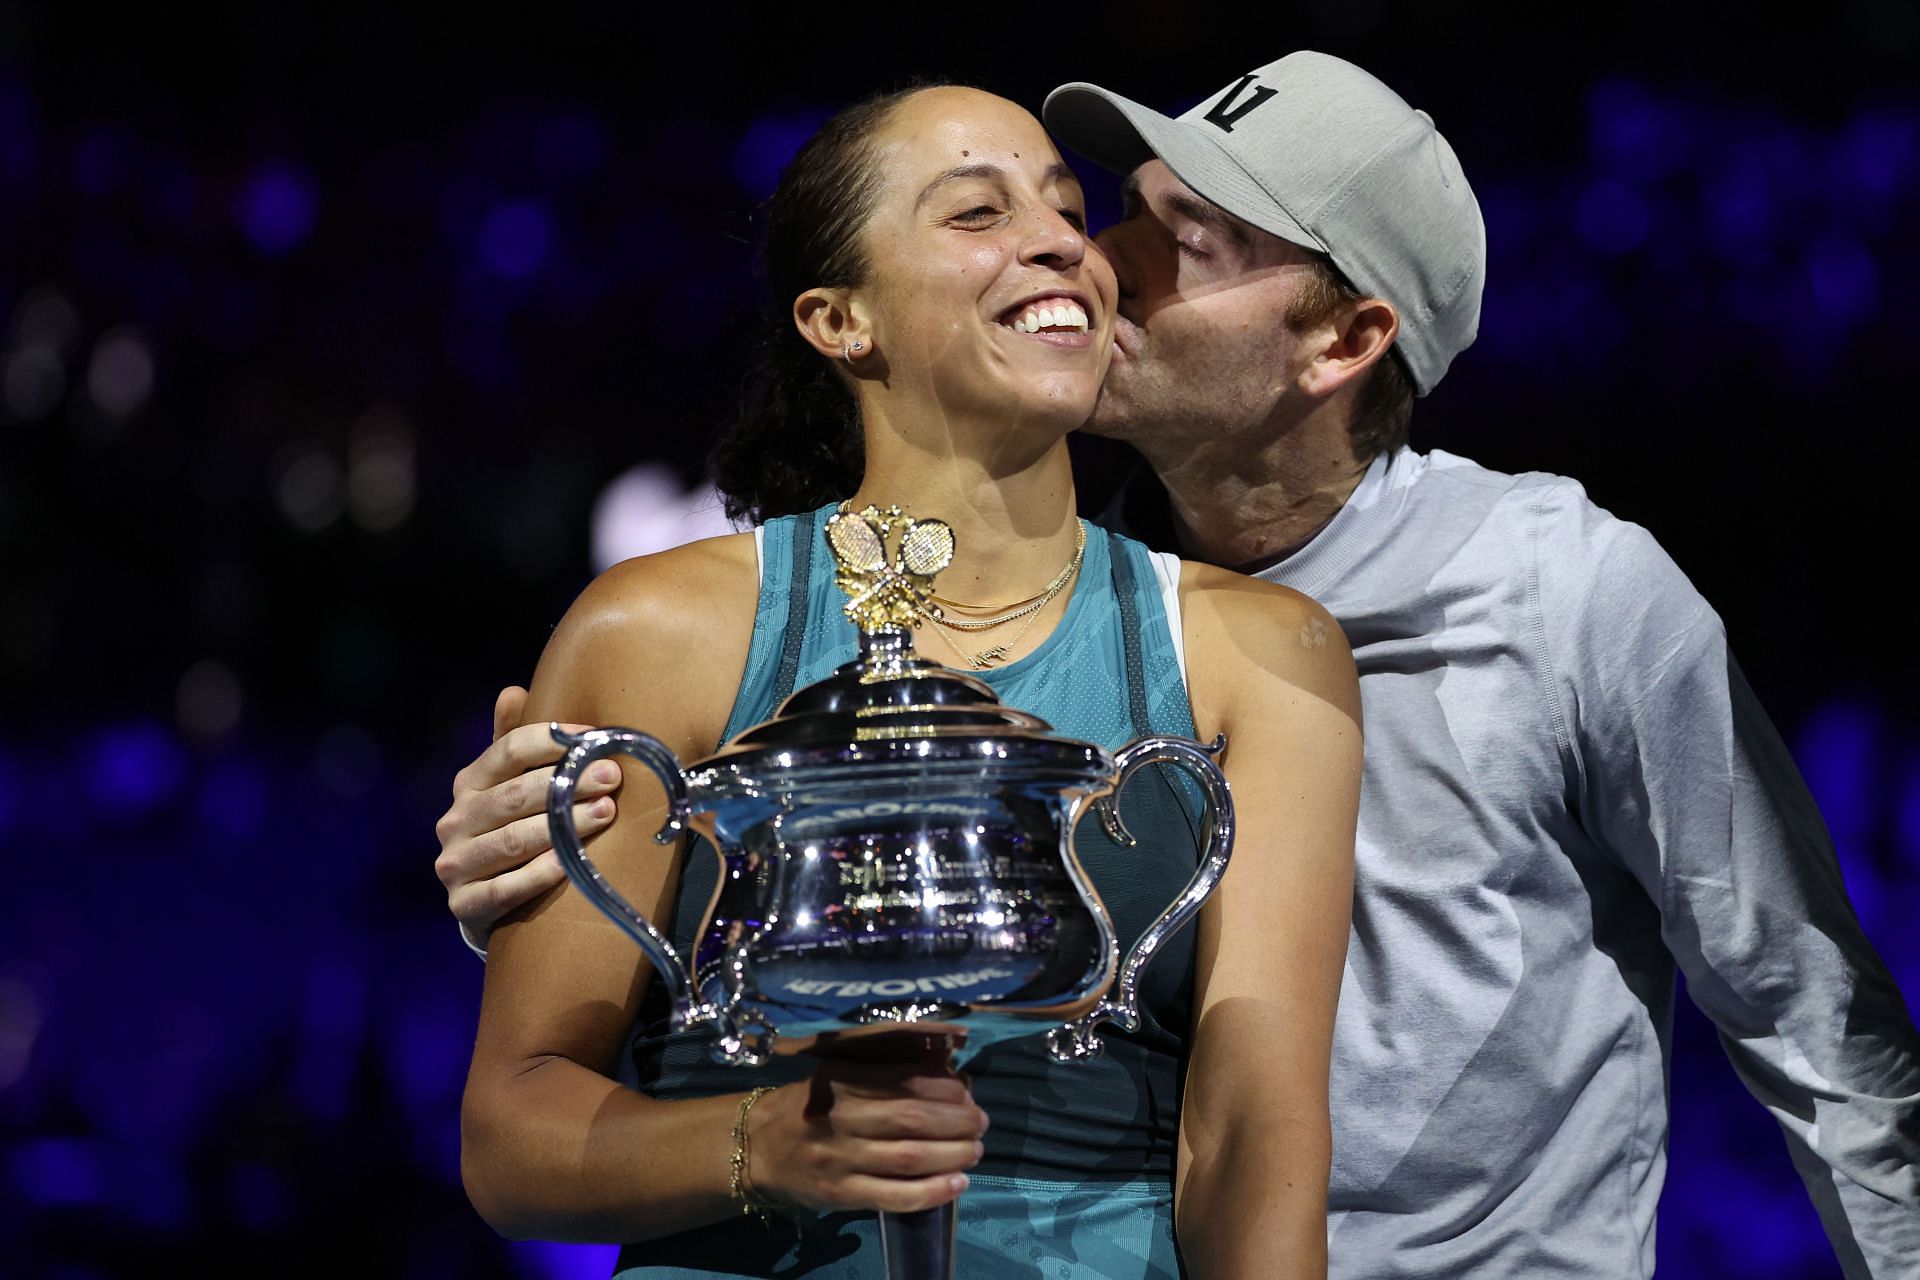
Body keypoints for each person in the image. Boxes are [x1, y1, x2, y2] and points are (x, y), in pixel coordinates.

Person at [441, 54, 1920, 1276]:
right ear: (840, 320)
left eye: (1183, 242)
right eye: (1111, 211)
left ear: (1344, 340)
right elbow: (571, 1066)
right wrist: (561, 857)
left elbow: (1809, 1012)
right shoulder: (849, 600)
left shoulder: (1550, 594)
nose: (1092, 252)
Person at [454, 82, 1362, 1280]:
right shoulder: (658, 628)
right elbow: (512, 1135)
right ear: (839, 320)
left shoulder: (1265, 650)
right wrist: (765, 1138)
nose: (1057, 241)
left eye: (1065, 206)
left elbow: (1253, 1134)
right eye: (976, 213)